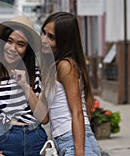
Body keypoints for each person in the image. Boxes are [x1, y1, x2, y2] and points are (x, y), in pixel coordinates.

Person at [0, 16, 49, 156]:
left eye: (20, 44)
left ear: (27, 50)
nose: (13, 48)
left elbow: (44, 118)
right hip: (3, 141)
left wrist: (25, 86)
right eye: (9, 41)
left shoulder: (36, 74)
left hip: (36, 139)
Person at [40, 12, 101, 156]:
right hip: (64, 141)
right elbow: (44, 118)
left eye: (51, 37)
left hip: (75, 142)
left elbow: (77, 111)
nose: (44, 39)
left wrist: (79, 152)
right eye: (44, 33)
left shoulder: (66, 65)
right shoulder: (53, 67)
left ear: (64, 41)